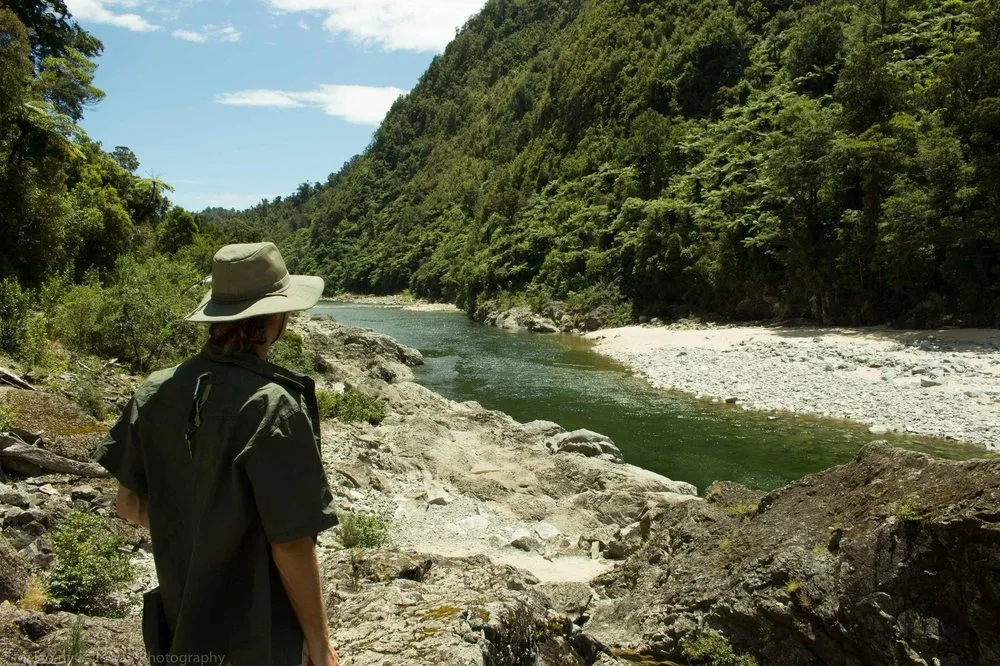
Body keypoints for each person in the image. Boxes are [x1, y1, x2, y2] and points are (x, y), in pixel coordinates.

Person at [94, 242, 341, 666]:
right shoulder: (273, 406)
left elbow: (128, 504)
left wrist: (201, 530)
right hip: (260, 640)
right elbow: (291, 544)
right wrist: (320, 643)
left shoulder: (154, 391)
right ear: (276, 318)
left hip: (182, 629)